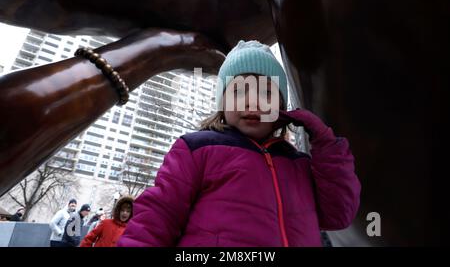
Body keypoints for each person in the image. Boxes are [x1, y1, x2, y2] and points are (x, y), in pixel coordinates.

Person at [118, 40, 361, 247]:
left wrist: (326, 144)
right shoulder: (196, 149)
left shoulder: (300, 164)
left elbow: (338, 215)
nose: (251, 102)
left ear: (282, 106)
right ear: (222, 102)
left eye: (266, 93)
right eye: (239, 92)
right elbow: (158, 217)